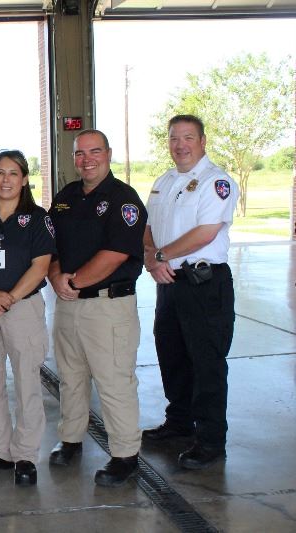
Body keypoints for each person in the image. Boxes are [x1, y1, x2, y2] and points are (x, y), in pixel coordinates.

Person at [47, 129, 147, 487]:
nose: (86, 159)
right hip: (68, 306)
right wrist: (56, 275)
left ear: (108, 153)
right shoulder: (66, 197)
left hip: (107, 307)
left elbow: (115, 254)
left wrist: (72, 283)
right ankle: (71, 439)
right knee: (71, 378)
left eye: (94, 151)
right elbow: (50, 243)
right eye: (79, 153)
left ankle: (124, 455)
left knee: (114, 381)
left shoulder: (124, 199)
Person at [142, 115, 238, 470]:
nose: (180, 144)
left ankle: (211, 440)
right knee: (172, 354)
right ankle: (179, 423)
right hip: (169, 282)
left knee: (206, 361)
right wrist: (152, 258)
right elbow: (148, 227)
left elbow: (207, 232)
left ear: (202, 140)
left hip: (204, 284)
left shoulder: (216, 181)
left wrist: (162, 255)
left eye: (188, 137)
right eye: (174, 138)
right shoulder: (164, 181)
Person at [0, 150, 55, 486]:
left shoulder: (37, 218)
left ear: (25, 178)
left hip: (23, 309)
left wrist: (7, 300)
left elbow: (41, 266)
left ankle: (25, 455)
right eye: (0, 173)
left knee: (27, 382)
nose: (5, 180)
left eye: (13, 173)